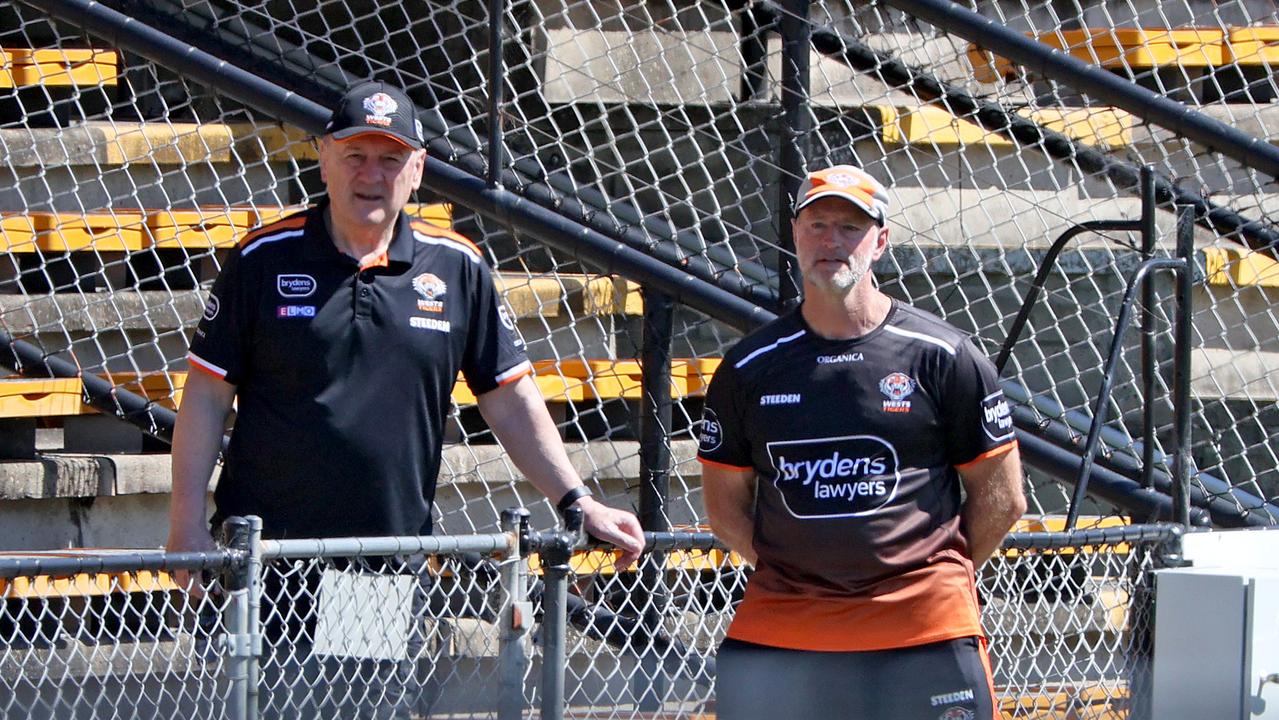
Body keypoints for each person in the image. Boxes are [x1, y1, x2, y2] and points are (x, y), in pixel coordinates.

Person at [165, 80, 645, 717]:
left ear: (417, 171)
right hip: (265, 561)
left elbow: (507, 395)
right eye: (356, 155)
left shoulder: (456, 268)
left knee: (367, 712)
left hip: (381, 564)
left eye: (391, 159)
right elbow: (204, 395)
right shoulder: (262, 259)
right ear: (324, 158)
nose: (372, 175)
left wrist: (576, 499)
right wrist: (185, 524)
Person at [698, 165, 1027, 720]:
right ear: (795, 235)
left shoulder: (942, 355)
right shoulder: (748, 368)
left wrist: (927, 573)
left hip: (924, 626)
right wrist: (800, 570)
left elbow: (1003, 499)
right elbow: (724, 507)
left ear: (881, 242)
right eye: (818, 224)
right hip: (786, 623)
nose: (832, 241)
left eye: (850, 228)